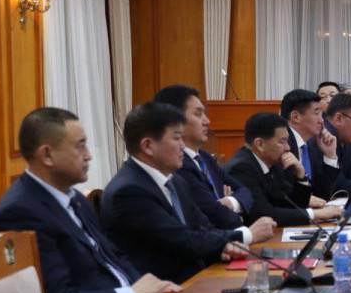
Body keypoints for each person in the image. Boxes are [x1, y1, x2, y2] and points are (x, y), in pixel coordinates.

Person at [0, 108, 180, 293]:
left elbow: (113, 255)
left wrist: (150, 288)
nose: (89, 155)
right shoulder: (21, 213)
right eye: (80, 146)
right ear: (47, 155)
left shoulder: (74, 197)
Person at [102, 103, 270, 283]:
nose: (183, 146)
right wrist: (246, 235)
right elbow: (182, 239)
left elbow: (203, 228)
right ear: (148, 146)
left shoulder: (175, 181)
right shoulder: (128, 191)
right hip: (165, 289)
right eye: (177, 138)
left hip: (197, 277)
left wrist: (224, 247)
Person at [152, 84, 254, 230]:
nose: (207, 121)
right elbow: (215, 216)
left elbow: (245, 191)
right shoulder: (177, 165)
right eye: (198, 114)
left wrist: (231, 202)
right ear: (175, 120)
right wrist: (235, 214)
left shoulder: (205, 158)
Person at [225, 113, 341, 227]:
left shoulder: (273, 163)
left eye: (287, 141)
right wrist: (317, 214)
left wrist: (300, 176)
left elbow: (293, 204)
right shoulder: (241, 169)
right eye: (282, 141)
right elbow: (264, 214)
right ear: (260, 144)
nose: (288, 148)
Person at [281, 88, 342, 203]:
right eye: (316, 113)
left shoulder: (311, 145)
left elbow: (323, 194)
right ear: (296, 117)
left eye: (322, 114)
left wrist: (330, 155)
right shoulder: (282, 146)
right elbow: (282, 195)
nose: (322, 121)